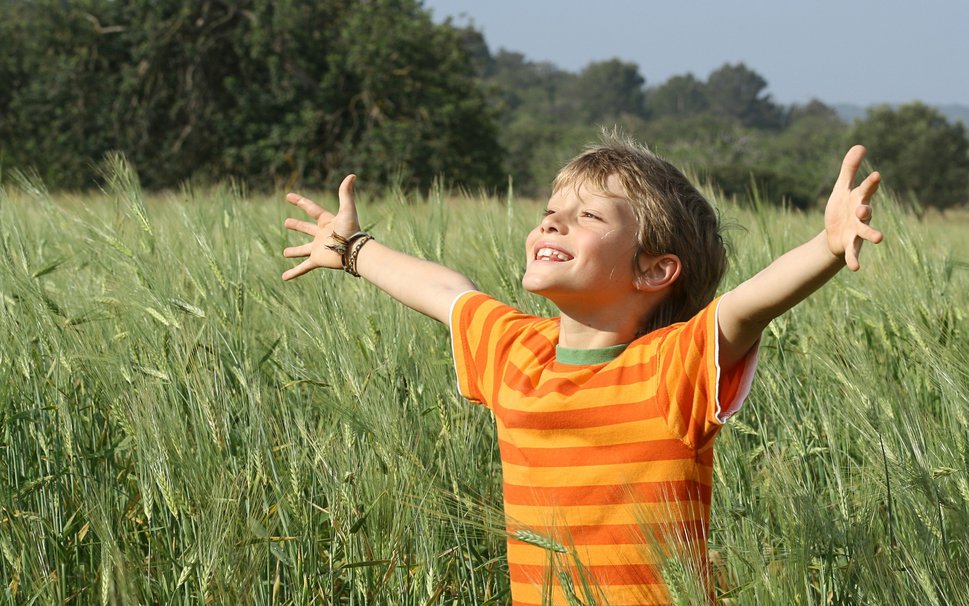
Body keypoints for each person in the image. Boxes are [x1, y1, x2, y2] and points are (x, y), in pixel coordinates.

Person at [281, 134, 882, 605]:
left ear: (654, 271)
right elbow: (446, 291)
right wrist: (352, 250)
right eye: (550, 211)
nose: (551, 222)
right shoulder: (518, 351)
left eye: (590, 217)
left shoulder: (672, 367)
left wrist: (826, 247)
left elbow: (747, 307)